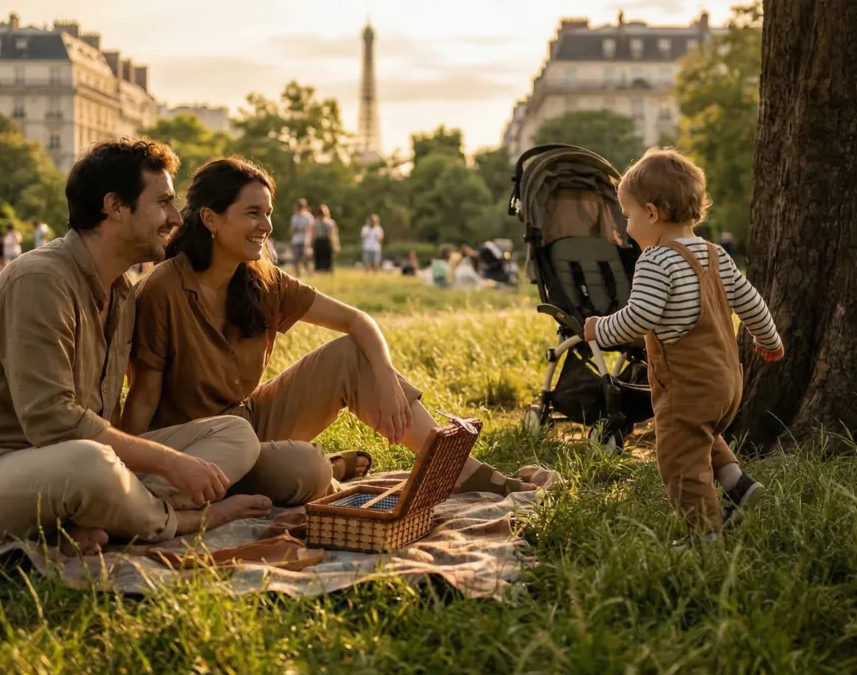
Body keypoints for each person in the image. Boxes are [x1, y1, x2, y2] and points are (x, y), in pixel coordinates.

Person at [124, 158, 546, 500]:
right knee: (306, 469)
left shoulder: (262, 280)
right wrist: (133, 474)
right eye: (252, 213)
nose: (266, 226)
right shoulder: (163, 289)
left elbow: (357, 320)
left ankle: (462, 471)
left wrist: (384, 378)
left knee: (352, 353)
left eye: (268, 213)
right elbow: (142, 397)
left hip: (249, 420)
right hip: (193, 446)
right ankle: (328, 469)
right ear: (210, 219)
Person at [0, 139, 276, 557]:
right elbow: (52, 422)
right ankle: (180, 520)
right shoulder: (40, 281)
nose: (174, 218)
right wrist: (170, 462)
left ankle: (102, 517)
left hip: (76, 467)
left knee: (235, 434)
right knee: (93, 466)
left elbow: (104, 422)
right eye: (163, 202)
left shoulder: (122, 293)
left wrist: (163, 460)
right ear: (115, 206)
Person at [583, 150, 783, 542]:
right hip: (727, 383)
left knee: (679, 456)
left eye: (627, 216)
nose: (626, 226)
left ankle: (704, 533)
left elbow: (639, 317)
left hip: (687, 386)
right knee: (701, 435)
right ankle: (737, 483)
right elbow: (752, 303)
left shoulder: (655, 261)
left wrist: (599, 330)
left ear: (651, 213)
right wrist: (769, 340)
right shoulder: (715, 254)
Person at [287, 199, 313, 278]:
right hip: (296, 241)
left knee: (306, 260)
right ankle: (298, 275)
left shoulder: (308, 217)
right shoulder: (294, 217)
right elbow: (291, 230)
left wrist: (308, 242)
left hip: (304, 241)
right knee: (295, 260)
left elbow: (310, 230)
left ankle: (310, 274)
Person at [311, 204, 338, 274]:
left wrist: (311, 242)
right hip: (326, 241)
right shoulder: (330, 222)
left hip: (319, 241)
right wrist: (335, 244)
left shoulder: (315, 222)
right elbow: (333, 235)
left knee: (319, 258)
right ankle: (327, 271)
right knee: (326, 258)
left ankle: (320, 271)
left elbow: (313, 234)